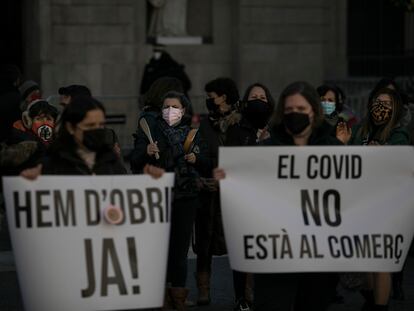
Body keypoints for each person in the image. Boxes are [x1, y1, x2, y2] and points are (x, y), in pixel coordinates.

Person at [215, 81, 343, 311]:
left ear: (314, 111)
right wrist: (228, 176)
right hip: (276, 253)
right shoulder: (265, 149)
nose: (295, 115)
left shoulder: (333, 148)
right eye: (290, 111)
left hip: (318, 254)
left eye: (301, 110)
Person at [130, 91, 208, 310]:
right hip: (158, 198)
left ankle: (179, 295)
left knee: (180, 250)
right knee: (159, 248)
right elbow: (134, 160)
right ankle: (161, 295)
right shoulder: (151, 131)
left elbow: (207, 161)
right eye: (166, 106)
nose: (169, 111)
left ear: (183, 110)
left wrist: (197, 158)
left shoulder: (192, 133)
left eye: (174, 107)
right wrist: (146, 150)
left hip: (186, 196)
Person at [337, 87, 409, 311]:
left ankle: (379, 306)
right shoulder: (358, 130)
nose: (381, 107)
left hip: (386, 204)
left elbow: (398, 161)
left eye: (387, 104)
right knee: (363, 262)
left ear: (395, 109)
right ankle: (372, 299)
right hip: (359, 202)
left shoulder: (399, 134)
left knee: (381, 261)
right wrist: (345, 144)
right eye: (378, 102)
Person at [224, 82, 275, 311]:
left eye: (262, 97)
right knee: (242, 248)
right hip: (243, 198)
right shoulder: (236, 130)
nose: (258, 100)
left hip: (270, 199)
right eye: (253, 96)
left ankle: (264, 295)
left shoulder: (277, 130)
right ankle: (242, 298)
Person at [193, 77, 242, 307]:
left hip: (235, 194)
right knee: (204, 243)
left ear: (224, 97)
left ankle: (244, 294)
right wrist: (203, 176)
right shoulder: (204, 124)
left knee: (240, 244)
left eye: (212, 95)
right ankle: (203, 289)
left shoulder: (241, 123)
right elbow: (199, 156)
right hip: (209, 193)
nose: (209, 100)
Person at [41, 96, 126, 175]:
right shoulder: (53, 162)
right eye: (90, 125)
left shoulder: (110, 160)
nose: (96, 130)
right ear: (71, 127)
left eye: (101, 125)